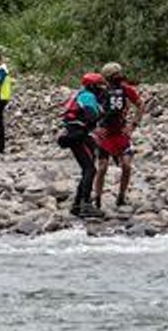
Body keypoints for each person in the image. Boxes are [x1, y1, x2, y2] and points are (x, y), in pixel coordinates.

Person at [91, 62, 144, 209]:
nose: (119, 76)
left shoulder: (126, 89)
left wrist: (133, 125)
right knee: (102, 167)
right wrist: (94, 128)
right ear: (108, 77)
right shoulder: (100, 92)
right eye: (115, 74)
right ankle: (98, 198)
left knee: (126, 166)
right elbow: (89, 110)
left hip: (121, 132)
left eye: (119, 73)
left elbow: (140, 104)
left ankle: (121, 196)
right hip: (105, 133)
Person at [57, 72, 107, 218]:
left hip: (78, 134)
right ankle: (85, 205)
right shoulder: (88, 96)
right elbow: (91, 115)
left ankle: (78, 204)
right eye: (99, 86)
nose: (101, 89)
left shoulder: (82, 94)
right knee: (90, 169)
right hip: (77, 135)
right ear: (92, 86)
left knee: (88, 168)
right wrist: (102, 112)